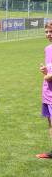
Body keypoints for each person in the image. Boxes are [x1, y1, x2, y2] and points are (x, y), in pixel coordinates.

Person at [37, 20, 52, 159]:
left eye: (51, 31)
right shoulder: (47, 49)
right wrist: (45, 71)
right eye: (46, 32)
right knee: (50, 123)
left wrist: (49, 75)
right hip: (47, 92)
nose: (48, 34)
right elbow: (49, 70)